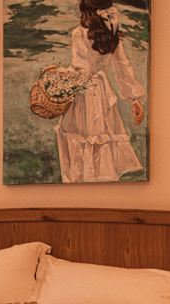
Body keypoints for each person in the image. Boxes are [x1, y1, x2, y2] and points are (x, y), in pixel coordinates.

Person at [55, 0, 146, 182]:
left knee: (84, 136)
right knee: (99, 137)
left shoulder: (79, 33)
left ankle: (85, 179)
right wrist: (134, 99)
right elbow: (122, 65)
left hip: (84, 94)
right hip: (102, 94)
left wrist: (61, 76)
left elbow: (83, 72)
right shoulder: (111, 30)